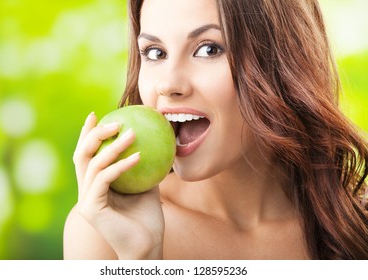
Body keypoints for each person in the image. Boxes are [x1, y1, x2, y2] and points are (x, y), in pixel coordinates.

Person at [63, 0, 368, 259]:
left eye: (209, 49)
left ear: (281, 60)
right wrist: (142, 260)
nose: (169, 84)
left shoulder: (356, 225)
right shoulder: (104, 233)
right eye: (155, 52)